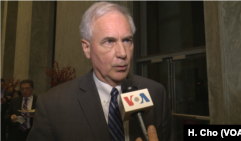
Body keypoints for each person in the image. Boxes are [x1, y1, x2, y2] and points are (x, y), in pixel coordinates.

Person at [27, 1, 171, 141]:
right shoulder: (53, 105)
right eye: (109, 41)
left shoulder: (156, 93)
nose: (122, 53)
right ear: (87, 48)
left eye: (127, 40)